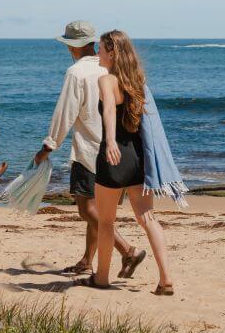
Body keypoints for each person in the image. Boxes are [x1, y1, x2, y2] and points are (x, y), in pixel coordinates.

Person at [34, 20, 145, 278]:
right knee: (101, 209)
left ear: (72, 47)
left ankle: (127, 250)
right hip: (119, 151)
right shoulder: (112, 68)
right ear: (93, 43)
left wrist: (48, 146)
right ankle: (87, 261)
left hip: (89, 152)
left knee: (87, 209)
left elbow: (65, 113)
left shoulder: (76, 73)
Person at [77, 30, 175, 294]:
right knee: (148, 218)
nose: (97, 53)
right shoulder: (137, 81)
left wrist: (109, 142)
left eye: (100, 49)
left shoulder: (106, 80)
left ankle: (102, 278)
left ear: (112, 52)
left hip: (115, 157)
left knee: (106, 222)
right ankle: (165, 280)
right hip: (138, 158)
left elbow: (109, 109)